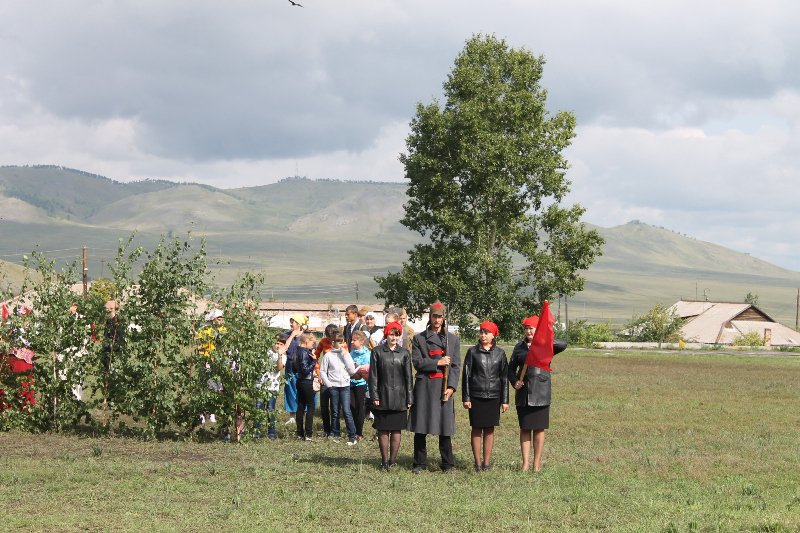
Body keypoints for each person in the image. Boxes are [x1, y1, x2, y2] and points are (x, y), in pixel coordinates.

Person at [508, 315, 568, 472]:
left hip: (541, 392)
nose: (528, 331)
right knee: (525, 428)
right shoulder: (519, 347)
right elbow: (510, 369)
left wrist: (544, 338)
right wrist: (515, 381)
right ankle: (525, 464)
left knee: (539, 429)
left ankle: (536, 464)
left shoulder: (546, 345)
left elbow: (563, 344)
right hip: (524, 393)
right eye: (526, 328)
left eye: (531, 328)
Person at [408, 300, 461, 473]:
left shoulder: (452, 340)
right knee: (421, 426)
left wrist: (451, 387)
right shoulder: (419, 339)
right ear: (429, 317)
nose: (437, 320)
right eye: (434, 316)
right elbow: (417, 362)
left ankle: (448, 464)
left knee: (444, 427)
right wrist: (437, 361)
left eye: (440, 317)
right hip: (425, 387)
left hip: (443, 388)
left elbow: (456, 366)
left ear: (444, 318)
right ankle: (419, 463)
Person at [462, 321, 509, 472]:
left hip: (494, 396)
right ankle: (477, 463)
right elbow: (466, 376)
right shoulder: (472, 352)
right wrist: (466, 397)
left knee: (489, 430)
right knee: (476, 429)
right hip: (476, 396)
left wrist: (505, 400)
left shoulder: (500, 353)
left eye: (487, 332)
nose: (483, 335)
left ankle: (486, 463)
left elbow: (504, 378)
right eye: (481, 332)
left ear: (494, 335)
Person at [369, 321, 412, 470]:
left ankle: (393, 460)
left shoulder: (405, 353)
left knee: (396, 429)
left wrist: (409, 397)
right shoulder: (377, 352)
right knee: (383, 429)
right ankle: (384, 460)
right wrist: (374, 395)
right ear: (386, 334)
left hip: (400, 397)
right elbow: (373, 376)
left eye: (397, 334)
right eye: (391, 334)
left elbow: (408, 378)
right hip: (382, 396)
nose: (394, 337)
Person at [319, 329, 358, 444]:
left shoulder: (346, 354)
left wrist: (346, 356)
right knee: (335, 411)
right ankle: (335, 433)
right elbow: (322, 371)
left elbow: (351, 371)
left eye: (342, 342)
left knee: (346, 411)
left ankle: (352, 435)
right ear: (333, 343)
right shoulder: (328, 356)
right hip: (333, 386)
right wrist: (329, 385)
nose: (341, 344)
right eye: (338, 342)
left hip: (345, 386)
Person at [255, 332, 288, 439]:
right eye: (276, 343)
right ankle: (256, 431)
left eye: (281, 344)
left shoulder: (283, 356)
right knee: (258, 408)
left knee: (270, 409)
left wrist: (279, 355)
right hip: (260, 385)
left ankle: (271, 433)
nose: (278, 346)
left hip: (272, 387)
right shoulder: (265, 352)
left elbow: (278, 368)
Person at [315, 323, 340, 438]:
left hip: (337, 379)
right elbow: (315, 356)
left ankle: (336, 430)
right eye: (328, 337)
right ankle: (327, 430)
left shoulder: (341, 343)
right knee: (324, 405)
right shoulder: (323, 341)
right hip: (325, 377)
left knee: (335, 406)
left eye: (332, 338)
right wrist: (318, 372)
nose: (330, 340)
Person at [283, 314, 308, 427]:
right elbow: (284, 348)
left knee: (304, 390)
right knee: (291, 390)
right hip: (290, 366)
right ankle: (292, 416)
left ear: (299, 324)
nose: (291, 324)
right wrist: (292, 335)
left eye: (293, 322)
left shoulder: (306, 336)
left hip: (303, 367)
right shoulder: (287, 335)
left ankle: (305, 414)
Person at [294, 332, 318, 441]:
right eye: (312, 343)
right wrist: (314, 361)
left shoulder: (296, 350)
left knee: (300, 406)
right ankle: (308, 434)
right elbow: (305, 369)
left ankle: (299, 433)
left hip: (299, 380)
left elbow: (295, 367)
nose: (313, 346)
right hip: (306, 381)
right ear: (306, 341)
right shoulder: (304, 353)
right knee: (310, 407)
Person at [349, 330, 371, 441]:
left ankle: (359, 432)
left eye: (354, 340)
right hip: (350, 382)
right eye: (352, 340)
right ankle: (352, 429)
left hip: (361, 384)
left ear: (361, 341)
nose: (352, 342)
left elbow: (367, 370)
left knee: (359, 407)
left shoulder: (367, 354)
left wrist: (358, 368)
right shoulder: (351, 353)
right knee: (351, 406)